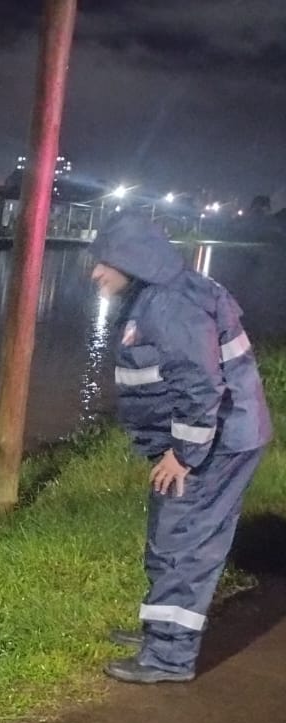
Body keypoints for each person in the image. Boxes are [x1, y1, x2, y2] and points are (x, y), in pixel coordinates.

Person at [89, 213, 271, 684]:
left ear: (132, 260)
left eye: (104, 262)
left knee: (185, 542)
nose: (96, 273)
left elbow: (199, 386)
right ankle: (160, 632)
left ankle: (167, 657)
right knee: (171, 533)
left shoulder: (168, 306)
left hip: (216, 444)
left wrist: (183, 455)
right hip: (214, 438)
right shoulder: (162, 293)